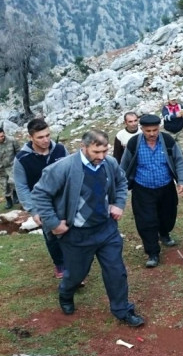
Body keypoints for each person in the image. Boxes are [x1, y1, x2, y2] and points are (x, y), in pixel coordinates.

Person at [31, 130, 144, 327]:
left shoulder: (109, 163)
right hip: (77, 234)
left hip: (106, 230)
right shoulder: (63, 168)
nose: (101, 156)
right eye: (96, 151)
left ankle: (122, 310)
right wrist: (54, 224)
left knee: (116, 271)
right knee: (76, 274)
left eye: (105, 151)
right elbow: (40, 194)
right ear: (83, 147)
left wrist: (118, 203)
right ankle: (66, 293)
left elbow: (121, 182)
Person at [120, 114, 183, 268]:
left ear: (159, 128)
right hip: (142, 188)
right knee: (146, 221)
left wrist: (182, 180)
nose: (152, 134)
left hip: (166, 187)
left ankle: (164, 233)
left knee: (167, 216)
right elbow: (124, 165)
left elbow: (178, 160)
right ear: (142, 129)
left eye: (155, 130)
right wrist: (120, 185)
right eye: (148, 130)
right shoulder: (133, 143)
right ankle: (152, 253)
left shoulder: (168, 141)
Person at [13, 118, 68, 278]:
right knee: (51, 235)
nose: (45, 140)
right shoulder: (22, 159)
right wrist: (34, 211)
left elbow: (72, 173)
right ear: (30, 137)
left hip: (64, 200)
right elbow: (22, 187)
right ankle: (60, 265)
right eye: (40, 137)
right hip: (42, 205)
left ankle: (74, 266)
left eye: (47, 135)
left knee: (71, 232)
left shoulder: (60, 150)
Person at [0, 127, 21, 209]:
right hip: (1, 169)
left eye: (2, 136)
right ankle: (9, 201)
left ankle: (16, 196)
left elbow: (19, 152)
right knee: (4, 186)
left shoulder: (12, 140)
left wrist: (18, 163)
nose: (1, 138)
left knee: (14, 182)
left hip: (12, 165)